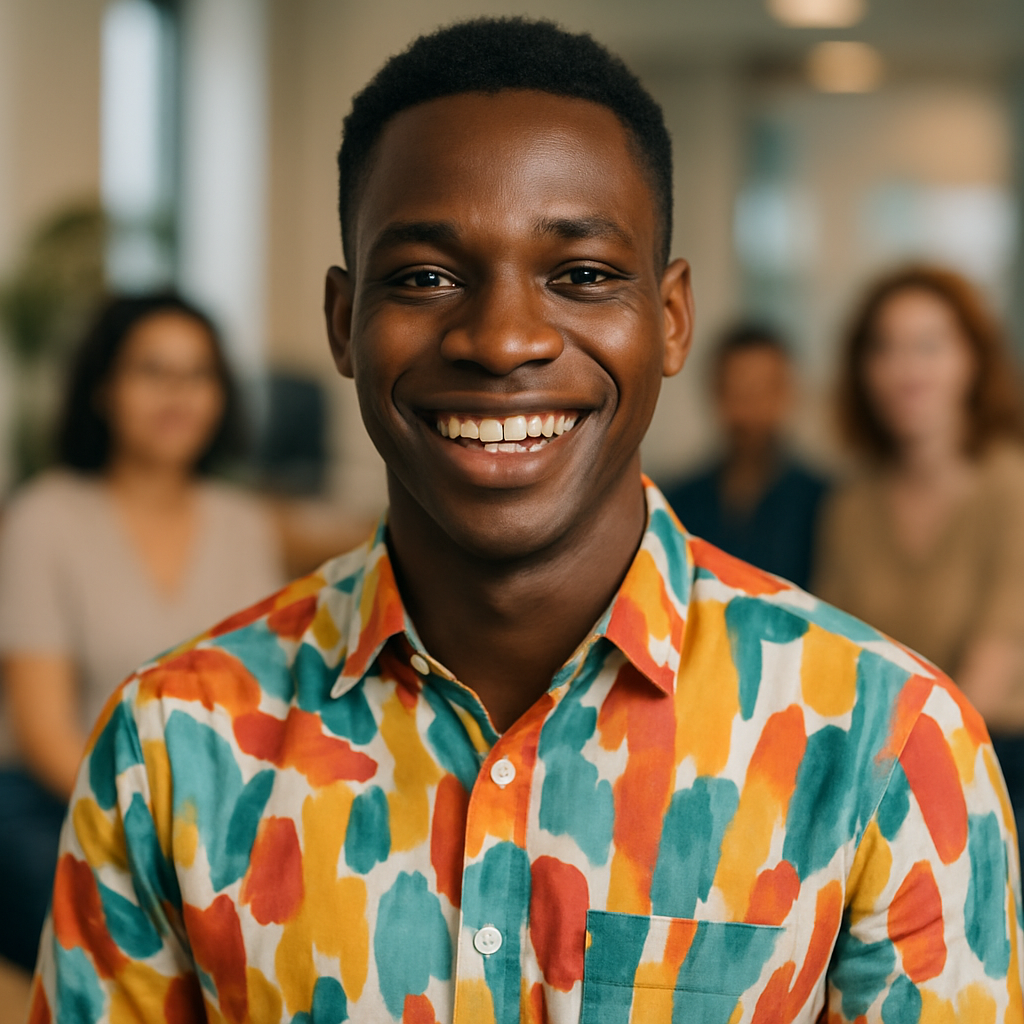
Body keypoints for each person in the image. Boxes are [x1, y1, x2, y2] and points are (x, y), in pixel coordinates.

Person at [32, 21, 1021, 1023]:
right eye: (424, 276)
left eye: (582, 275)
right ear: (342, 322)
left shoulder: (884, 746)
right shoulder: (171, 748)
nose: (502, 340)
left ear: (670, 318)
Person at [0, 294, 283, 972]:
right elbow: (43, 732)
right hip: (56, 804)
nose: (177, 394)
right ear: (102, 389)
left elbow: (263, 708)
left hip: (205, 809)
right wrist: (159, 835)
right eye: (151, 371)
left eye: (198, 374)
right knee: (132, 944)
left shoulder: (245, 524)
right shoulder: (46, 516)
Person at [815, 265, 1024, 835]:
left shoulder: (1011, 486)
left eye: (928, 346)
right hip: (879, 768)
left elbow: (986, 675)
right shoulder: (850, 506)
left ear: (972, 361)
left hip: (997, 770)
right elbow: (834, 667)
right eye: (885, 348)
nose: (906, 369)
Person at [662, 324, 828, 589]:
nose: (750, 410)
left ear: (789, 393)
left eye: (764, 390)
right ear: (715, 393)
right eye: (737, 391)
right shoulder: (673, 505)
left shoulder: (827, 503)